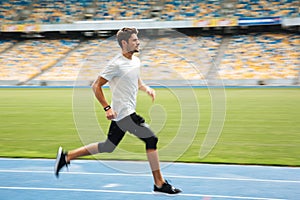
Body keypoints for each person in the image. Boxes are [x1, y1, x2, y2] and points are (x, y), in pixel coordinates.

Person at [54, 27, 182, 195]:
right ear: (124, 43)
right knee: (151, 139)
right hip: (124, 114)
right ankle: (159, 183)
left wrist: (145, 88)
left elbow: (136, 79)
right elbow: (96, 85)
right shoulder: (115, 64)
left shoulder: (135, 61)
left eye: (137, 39)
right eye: (134, 40)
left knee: (108, 146)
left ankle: (66, 157)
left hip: (123, 115)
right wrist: (107, 108)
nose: (138, 42)